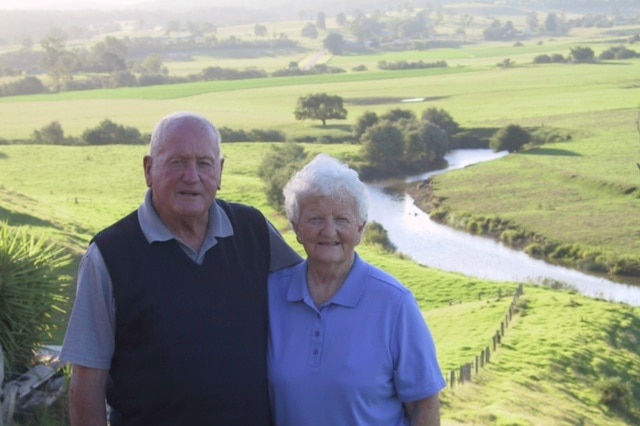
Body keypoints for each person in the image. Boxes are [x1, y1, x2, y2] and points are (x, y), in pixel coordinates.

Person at [60, 111, 301, 426]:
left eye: (204, 163)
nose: (192, 176)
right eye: (177, 162)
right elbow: (86, 387)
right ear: (149, 169)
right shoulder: (109, 256)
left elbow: (312, 294)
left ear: (220, 171)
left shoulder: (253, 231)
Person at [268, 154, 446, 426]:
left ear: (361, 229)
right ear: (296, 228)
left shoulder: (395, 303)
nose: (329, 231)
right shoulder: (270, 295)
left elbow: (424, 406)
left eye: (341, 219)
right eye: (315, 219)